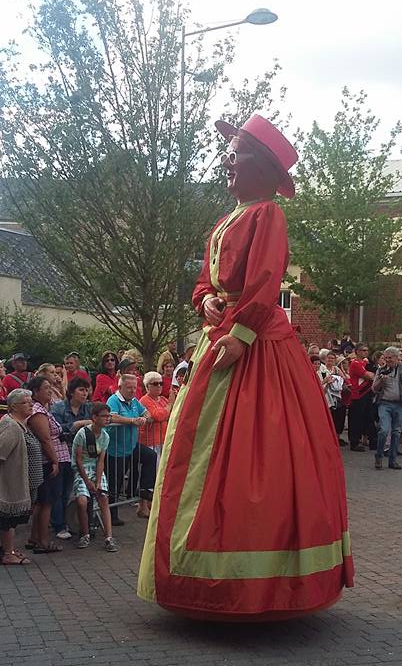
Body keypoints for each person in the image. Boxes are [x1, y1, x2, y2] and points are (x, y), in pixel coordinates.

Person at [138, 113, 353, 619]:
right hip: (221, 336)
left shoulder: (267, 214)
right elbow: (204, 281)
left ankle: (253, 584)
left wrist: (241, 334)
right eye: (228, 154)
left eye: (235, 155)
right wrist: (206, 301)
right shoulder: (223, 221)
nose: (226, 163)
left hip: (252, 343)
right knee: (198, 451)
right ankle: (195, 572)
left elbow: (265, 279)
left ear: (260, 166)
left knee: (260, 451)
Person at [106, 373, 157, 522]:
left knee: (150, 456)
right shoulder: (113, 400)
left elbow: (147, 413)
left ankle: (144, 490)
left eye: (134, 388)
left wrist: (144, 418)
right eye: (129, 388)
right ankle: (112, 515)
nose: (133, 391)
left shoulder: (134, 401)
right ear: (120, 387)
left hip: (131, 446)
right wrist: (132, 421)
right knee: (115, 482)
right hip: (115, 449)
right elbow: (111, 417)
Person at [27, 376, 69, 554]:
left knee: (43, 501)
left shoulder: (44, 408)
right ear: (36, 392)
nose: (50, 390)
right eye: (45, 387)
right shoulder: (37, 412)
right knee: (47, 502)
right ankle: (42, 541)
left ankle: (34, 538)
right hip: (48, 462)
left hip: (51, 460)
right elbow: (45, 439)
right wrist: (55, 460)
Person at [0, 389, 42, 566]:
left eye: (31, 401)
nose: (31, 404)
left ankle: (8, 549)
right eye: (26, 402)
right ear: (14, 406)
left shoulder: (19, 424)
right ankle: (7, 553)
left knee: (11, 521)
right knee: (7, 520)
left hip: (16, 481)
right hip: (9, 483)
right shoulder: (11, 427)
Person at [71, 402, 118, 552]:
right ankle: (85, 534)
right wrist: (87, 482)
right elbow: (78, 460)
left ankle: (109, 537)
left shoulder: (105, 436)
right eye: (104, 416)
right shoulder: (83, 434)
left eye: (109, 416)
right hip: (82, 469)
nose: (107, 419)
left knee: (103, 498)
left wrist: (98, 481)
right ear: (94, 417)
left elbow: (101, 460)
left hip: (95, 468)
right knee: (82, 501)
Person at [51, 377, 93, 539]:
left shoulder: (88, 407)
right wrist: (76, 425)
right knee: (60, 490)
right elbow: (55, 429)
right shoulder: (59, 408)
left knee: (70, 490)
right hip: (62, 453)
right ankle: (59, 525)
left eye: (86, 390)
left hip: (81, 454)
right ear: (71, 392)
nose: (85, 393)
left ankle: (73, 522)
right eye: (81, 390)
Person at [372, 347, 402, 470]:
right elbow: (374, 388)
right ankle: (379, 455)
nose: (388, 360)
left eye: (390, 358)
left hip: (400, 404)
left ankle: (392, 460)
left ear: (396, 357)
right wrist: (381, 381)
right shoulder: (381, 370)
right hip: (385, 404)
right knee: (384, 430)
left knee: (396, 432)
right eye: (386, 358)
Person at [347, 343, 376, 452]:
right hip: (358, 394)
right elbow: (369, 376)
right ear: (357, 352)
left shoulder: (365, 363)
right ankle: (354, 442)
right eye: (363, 350)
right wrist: (372, 374)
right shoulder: (355, 363)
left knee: (369, 418)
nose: (366, 352)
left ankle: (372, 441)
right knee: (356, 419)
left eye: (366, 350)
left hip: (367, 393)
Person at [139, 371, 173, 460]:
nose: (159, 386)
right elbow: (158, 416)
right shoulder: (144, 400)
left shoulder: (163, 399)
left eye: (161, 383)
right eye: (155, 383)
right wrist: (170, 405)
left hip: (164, 440)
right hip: (150, 442)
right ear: (147, 386)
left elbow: (172, 414)